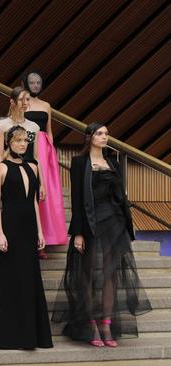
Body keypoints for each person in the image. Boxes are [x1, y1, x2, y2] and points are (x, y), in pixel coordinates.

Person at [51, 123, 151, 347]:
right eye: (99, 133)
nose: (104, 137)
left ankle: (106, 323)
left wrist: (126, 224)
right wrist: (78, 232)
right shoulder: (79, 163)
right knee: (86, 274)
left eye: (106, 134)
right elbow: (76, 200)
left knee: (110, 275)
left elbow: (120, 196)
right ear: (89, 137)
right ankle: (90, 324)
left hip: (114, 223)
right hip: (90, 223)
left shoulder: (113, 163)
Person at [0, 125, 52, 350]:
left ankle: (33, 335)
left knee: (30, 278)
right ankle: (12, 336)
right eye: (17, 140)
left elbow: (34, 202)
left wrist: (39, 231)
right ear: (8, 142)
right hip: (11, 226)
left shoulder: (33, 167)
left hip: (28, 228)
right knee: (12, 279)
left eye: (25, 140)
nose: (22, 144)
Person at [22, 71, 68, 258]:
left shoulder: (46, 106)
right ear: (25, 83)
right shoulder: (21, 103)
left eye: (38, 82)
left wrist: (51, 154)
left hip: (44, 149)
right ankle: (26, 239)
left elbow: (49, 132)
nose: (35, 85)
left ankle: (43, 241)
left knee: (44, 196)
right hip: (25, 146)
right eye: (31, 82)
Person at [0, 86, 46, 205]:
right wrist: (1, 178)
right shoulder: (2, 125)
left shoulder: (34, 127)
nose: (25, 103)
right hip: (11, 173)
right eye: (21, 99)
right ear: (12, 101)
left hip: (31, 171)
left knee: (31, 208)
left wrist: (42, 184)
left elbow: (36, 156)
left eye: (27, 99)